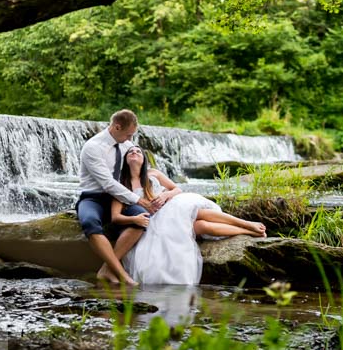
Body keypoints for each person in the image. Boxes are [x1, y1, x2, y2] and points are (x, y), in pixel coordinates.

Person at [111, 146, 266, 284]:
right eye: (131, 151)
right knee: (201, 226)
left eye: (138, 151)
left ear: (144, 159)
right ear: (125, 159)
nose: (134, 152)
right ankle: (247, 231)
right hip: (154, 221)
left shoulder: (153, 174)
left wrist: (165, 196)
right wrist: (135, 219)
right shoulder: (121, 186)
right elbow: (115, 217)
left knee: (200, 212)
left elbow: (177, 189)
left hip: (170, 207)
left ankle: (245, 223)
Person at [76, 109, 157, 285]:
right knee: (89, 222)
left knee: (143, 218)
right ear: (116, 127)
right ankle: (122, 275)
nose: (130, 140)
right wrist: (138, 199)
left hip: (120, 199)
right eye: (128, 135)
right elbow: (108, 184)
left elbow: (141, 170)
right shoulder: (93, 147)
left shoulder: (126, 145)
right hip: (93, 197)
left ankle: (106, 269)